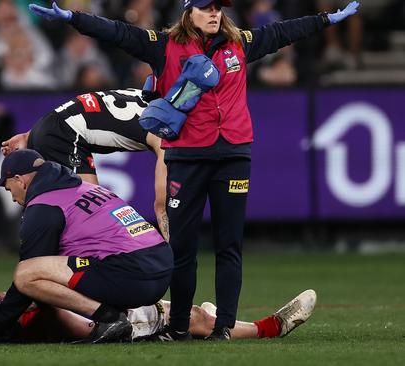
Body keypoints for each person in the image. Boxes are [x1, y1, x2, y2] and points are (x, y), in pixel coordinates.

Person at [28, 0, 359, 341]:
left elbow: (282, 33)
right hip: (186, 158)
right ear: (189, 11)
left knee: (229, 245)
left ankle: (224, 328)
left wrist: (325, 19)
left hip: (233, 155)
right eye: (206, 7)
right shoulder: (164, 46)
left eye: (219, 8)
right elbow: (117, 32)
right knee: (182, 248)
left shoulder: (239, 43)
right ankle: (179, 326)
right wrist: (73, 17)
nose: (215, 13)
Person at [0, 149, 173, 344]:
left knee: (25, 274)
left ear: (20, 180)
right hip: (161, 267)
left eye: (9, 187)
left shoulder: (43, 206)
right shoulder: (82, 187)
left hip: (132, 273)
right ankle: (151, 318)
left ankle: (110, 318)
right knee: (39, 278)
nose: (12, 197)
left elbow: (31, 271)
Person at [0, 88, 171, 240]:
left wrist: (29, 135)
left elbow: (77, 109)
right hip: (63, 135)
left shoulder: (149, 97)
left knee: (90, 209)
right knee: (93, 211)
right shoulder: (165, 132)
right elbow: (161, 206)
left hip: (53, 127)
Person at [0, 289, 317, 343]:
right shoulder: (2, 326)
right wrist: (29, 299)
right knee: (192, 317)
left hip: (95, 314)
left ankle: (215, 320)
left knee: (192, 317)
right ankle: (273, 327)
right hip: (98, 324)